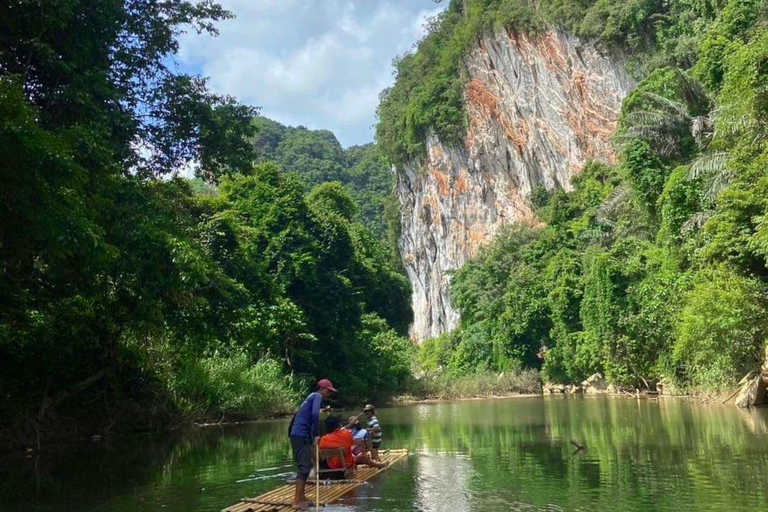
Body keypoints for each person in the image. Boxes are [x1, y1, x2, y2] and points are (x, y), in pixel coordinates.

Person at [289, 378, 337, 510]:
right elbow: (315, 414)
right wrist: (316, 433)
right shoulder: (316, 396)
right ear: (323, 389)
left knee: (307, 464)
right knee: (305, 467)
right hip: (301, 435)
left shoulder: (309, 398)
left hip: (299, 435)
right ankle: (297, 501)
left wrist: (311, 438)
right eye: (329, 391)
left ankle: (302, 497)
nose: (329, 394)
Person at [319, 416, 387, 480]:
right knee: (361, 457)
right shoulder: (346, 434)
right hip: (346, 466)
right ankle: (379, 465)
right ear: (339, 425)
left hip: (331, 466)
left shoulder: (323, 439)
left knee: (358, 458)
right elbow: (350, 444)